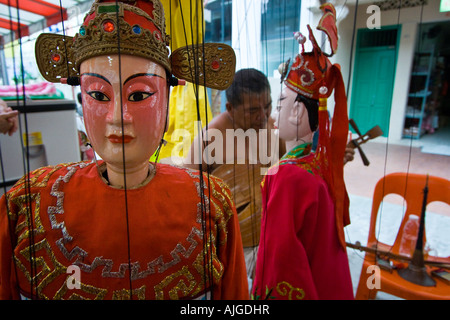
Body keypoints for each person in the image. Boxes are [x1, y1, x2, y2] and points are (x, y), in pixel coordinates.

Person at [0, 0, 248, 300]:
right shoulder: (25, 204)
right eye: (98, 95)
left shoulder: (212, 203)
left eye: (140, 94)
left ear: (168, 96)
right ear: (81, 97)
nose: (118, 116)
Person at [252, 3, 354, 300]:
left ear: (298, 112)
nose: (275, 114)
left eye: (281, 102)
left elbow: (280, 261)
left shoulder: (288, 176)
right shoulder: (319, 160)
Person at [184, 68, 283, 286]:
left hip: (271, 235)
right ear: (230, 108)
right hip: (230, 248)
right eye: (253, 111)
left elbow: (288, 171)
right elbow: (187, 197)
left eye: (267, 106)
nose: (263, 116)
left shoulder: (271, 128)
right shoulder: (210, 138)